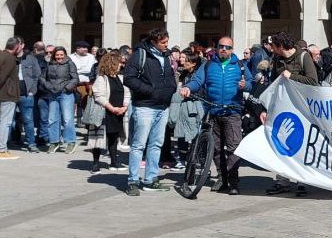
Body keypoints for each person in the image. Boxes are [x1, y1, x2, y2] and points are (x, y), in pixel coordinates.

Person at [180, 36, 251, 194]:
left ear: (232, 49)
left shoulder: (240, 65)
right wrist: (188, 88)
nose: (224, 49)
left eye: (228, 47)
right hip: (213, 111)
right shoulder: (208, 65)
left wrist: (245, 85)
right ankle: (222, 178)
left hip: (233, 111)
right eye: (221, 46)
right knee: (216, 149)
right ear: (217, 48)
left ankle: (233, 182)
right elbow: (197, 81)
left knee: (233, 148)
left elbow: (251, 83)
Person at [123, 27, 179, 196]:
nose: (166, 45)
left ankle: (150, 179)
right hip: (144, 106)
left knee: (156, 144)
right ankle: (133, 181)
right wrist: (150, 91)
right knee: (139, 145)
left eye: (167, 41)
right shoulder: (140, 55)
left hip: (163, 106)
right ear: (153, 42)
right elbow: (129, 78)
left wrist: (170, 89)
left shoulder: (166, 56)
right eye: (163, 42)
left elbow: (170, 77)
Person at [265, 31, 319, 197]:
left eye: (273, 46)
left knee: (301, 144)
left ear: (281, 46)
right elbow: (273, 83)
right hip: (283, 107)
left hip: (302, 108)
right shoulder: (277, 59)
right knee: (280, 142)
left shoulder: (303, 57)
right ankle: (282, 181)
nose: (271, 49)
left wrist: (292, 76)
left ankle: (302, 181)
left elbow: (313, 81)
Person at [90, 50, 131, 172]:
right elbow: (99, 97)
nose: (121, 65)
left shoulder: (121, 78)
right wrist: (112, 108)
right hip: (105, 112)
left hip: (119, 112)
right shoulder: (101, 79)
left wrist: (125, 106)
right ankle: (95, 164)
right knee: (98, 139)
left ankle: (114, 162)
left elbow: (127, 93)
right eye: (119, 63)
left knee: (114, 137)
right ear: (111, 64)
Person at [0, 36, 23, 160]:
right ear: (16, 46)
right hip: (7, 94)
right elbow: (2, 77)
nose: (21, 48)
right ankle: (1, 151)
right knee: (5, 123)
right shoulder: (9, 58)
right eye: (20, 46)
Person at [40, 46, 80, 153]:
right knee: (52, 119)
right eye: (57, 55)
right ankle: (54, 142)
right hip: (52, 94)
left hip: (66, 94)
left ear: (65, 55)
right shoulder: (49, 64)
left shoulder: (69, 63)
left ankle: (71, 142)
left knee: (67, 119)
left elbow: (75, 78)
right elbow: (42, 78)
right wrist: (48, 86)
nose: (59, 57)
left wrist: (67, 88)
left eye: (61, 55)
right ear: (54, 55)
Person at [16, 42, 42, 151]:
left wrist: (32, 90)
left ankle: (31, 143)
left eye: (17, 44)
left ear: (22, 45)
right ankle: (13, 140)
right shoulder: (9, 58)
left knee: (28, 119)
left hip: (26, 94)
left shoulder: (30, 58)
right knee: (10, 120)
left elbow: (37, 74)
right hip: (11, 93)